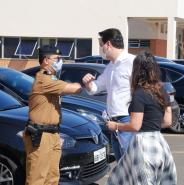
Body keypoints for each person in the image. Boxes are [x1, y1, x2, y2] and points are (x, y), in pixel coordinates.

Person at [106, 52, 177, 185]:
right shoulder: (162, 91)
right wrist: (151, 124)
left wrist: (115, 125)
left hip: (143, 146)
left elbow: (135, 126)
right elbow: (167, 121)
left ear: (137, 70)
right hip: (160, 143)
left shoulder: (139, 93)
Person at [23, 45, 82, 185]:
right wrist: (88, 84)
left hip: (52, 134)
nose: (60, 62)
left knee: (52, 178)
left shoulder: (52, 79)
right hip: (41, 135)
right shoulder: (45, 79)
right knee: (37, 179)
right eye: (57, 58)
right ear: (46, 60)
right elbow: (74, 89)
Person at [82, 28, 135, 161]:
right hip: (112, 122)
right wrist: (88, 84)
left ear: (109, 44)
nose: (101, 49)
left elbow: (143, 89)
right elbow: (96, 87)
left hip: (126, 121)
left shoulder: (132, 62)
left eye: (101, 45)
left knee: (130, 164)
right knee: (120, 164)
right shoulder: (110, 67)